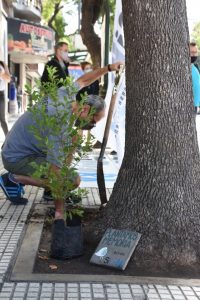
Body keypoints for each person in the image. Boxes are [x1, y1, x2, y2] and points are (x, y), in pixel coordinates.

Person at [0, 61, 122, 211]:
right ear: (84, 109)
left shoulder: (66, 94)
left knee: (72, 141)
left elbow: (84, 80)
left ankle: (49, 191)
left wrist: (109, 68)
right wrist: (60, 212)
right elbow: (56, 170)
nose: (92, 125)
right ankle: (12, 178)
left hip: (15, 148)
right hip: (16, 158)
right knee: (72, 180)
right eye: (93, 121)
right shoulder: (60, 122)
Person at [0, 61, 10, 136]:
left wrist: (2, 73)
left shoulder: (3, 64)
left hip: (1, 94)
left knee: (2, 119)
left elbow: (8, 79)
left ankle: (8, 140)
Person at [190, 43, 200, 113]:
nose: (194, 55)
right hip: (189, 105)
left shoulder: (195, 67)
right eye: (192, 52)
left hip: (195, 105)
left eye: (195, 52)